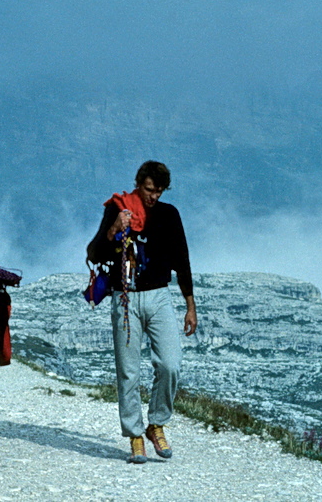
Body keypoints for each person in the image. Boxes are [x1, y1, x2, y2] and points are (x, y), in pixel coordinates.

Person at [87, 160, 196, 464]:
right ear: (139, 184)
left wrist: (190, 305)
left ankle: (156, 423)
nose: (153, 197)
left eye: (158, 191)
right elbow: (94, 253)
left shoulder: (169, 215)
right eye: (149, 190)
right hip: (125, 298)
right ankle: (135, 434)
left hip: (159, 295)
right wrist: (113, 229)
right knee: (128, 370)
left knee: (171, 364)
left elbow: (182, 260)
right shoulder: (117, 209)